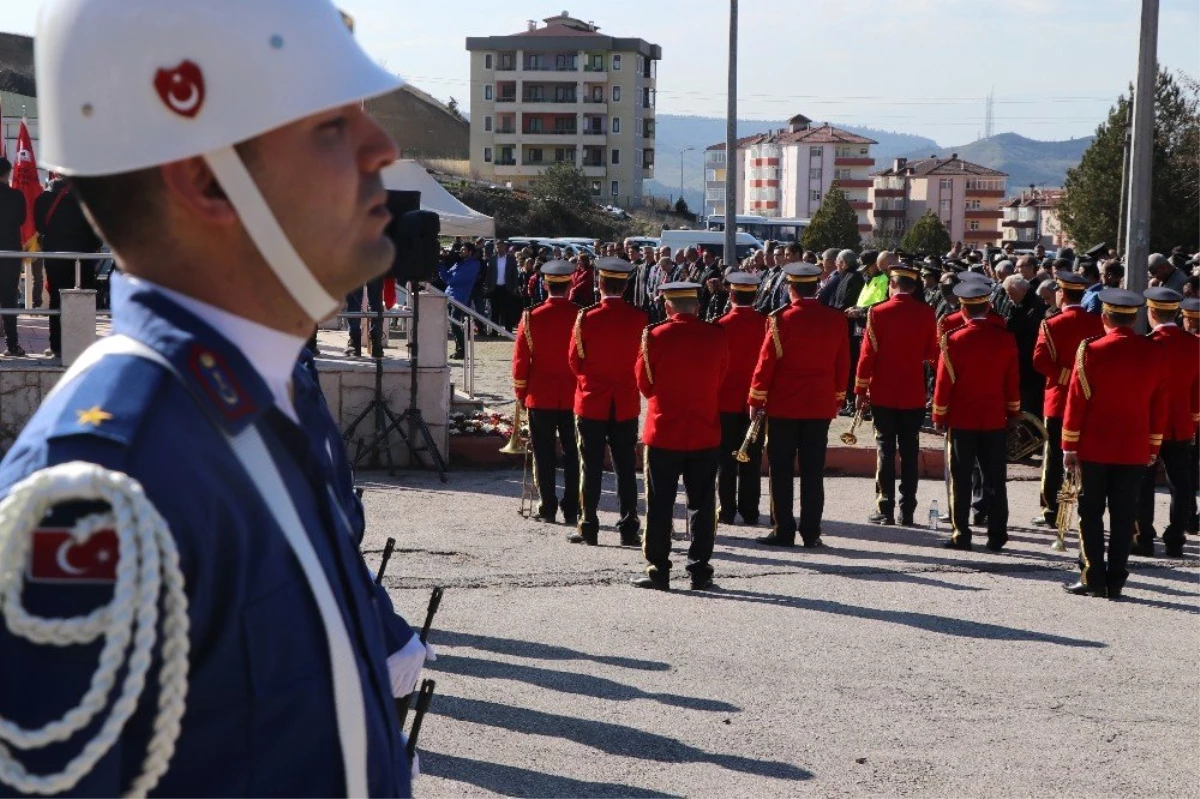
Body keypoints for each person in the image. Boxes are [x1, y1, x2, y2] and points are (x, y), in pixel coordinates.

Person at [0, 1, 428, 796]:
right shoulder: (109, 486)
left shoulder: (256, 408)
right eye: (331, 125)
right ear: (204, 178)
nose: (384, 147)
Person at [1062, 289, 1168, 599]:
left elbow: (1076, 401)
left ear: (1105, 317)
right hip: (1134, 448)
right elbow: (1159, 405)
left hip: (1094, 446)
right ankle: (1117, 579)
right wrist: (1153, 447)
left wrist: (1069, 445)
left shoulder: (1091, 349)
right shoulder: (1154, 351)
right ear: (1134, 318)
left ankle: (1092, 576)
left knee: (1090, 512)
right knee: (1124, 516)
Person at [633, 282, 728, 591]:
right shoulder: (716, 335)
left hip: (664, 431)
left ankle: (658, 569)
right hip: (704, 430)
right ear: (696, 307)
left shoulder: (655, 336)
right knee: (702, 503)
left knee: (660, 503)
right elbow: (721, 379)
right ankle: (700, 570)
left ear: (667, 307)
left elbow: (644, 384)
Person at [749, 264, 850, 548]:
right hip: (819, 404)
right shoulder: (835, 319)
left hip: (785, 405)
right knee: (813, 471)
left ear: (790, 288)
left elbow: (765, 364)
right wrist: (838, 398)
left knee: (781, 469)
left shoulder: (780, 319)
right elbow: (843, 365)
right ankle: (811, 532)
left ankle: (783, 529)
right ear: (816, 287)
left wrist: (756, 399)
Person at [932, 281, 1021, 551]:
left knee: (960, 477)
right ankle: (997, 534)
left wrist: (939, 414)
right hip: (994, 416)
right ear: (988, 306)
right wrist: (1014, 412)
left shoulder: (954, 339)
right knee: (995, 477)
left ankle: (961, 533)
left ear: (963, 309)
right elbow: (1012, 382)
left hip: (962, 417)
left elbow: (943, 382)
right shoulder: (1005, 337)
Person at [569, 258, 646, 546]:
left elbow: (575, 362)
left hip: (592, 400)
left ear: (600, 285)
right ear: (625, 287)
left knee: (590, 466)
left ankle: (588, 524)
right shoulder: (640, 318)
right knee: (626, 468)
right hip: (624, 401)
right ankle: (629, 526)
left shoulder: (586, 318)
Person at [855, 261, 938, 526]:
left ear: (892, 284)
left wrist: (859, 389)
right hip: (913, 392)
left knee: (885, 450)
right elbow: (930, 353)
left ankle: (885, 507)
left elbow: (867, 356)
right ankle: (908, 510)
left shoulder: (878, 312)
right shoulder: (927, 313)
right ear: (913, 287)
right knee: (910, 451)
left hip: (883, 392)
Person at [1030, 273, 1104, 529]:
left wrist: (1066, 377)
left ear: (1062, 294)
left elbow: (1040, 361)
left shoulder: (1051, 324)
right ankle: (1084, 505)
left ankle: (1052, 509)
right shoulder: (1097, 323)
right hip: (1091, 399)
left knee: (1053, 457)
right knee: (1087, 456)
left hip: (1059, 399)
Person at [1133, 288, 1200, 558]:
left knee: (1143, 482)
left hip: (1150, 425)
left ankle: (1144, 538)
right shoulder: (1194, 344)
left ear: (1151, 312)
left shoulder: (1149, 344)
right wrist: (1193, 422)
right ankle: (1175, 539)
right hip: (1181, 423)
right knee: (1181, 483)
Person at [512, 260, 580, 526]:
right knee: (574, 454)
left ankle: (548, 505)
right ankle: (572, 507)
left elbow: (520, 361)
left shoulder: (531, 316)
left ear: (544, 284)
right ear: (570, 285)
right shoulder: (580, 315)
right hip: (574, 395)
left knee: (543, 452)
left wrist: (521, 392)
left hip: (540, 394)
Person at [715, 272, 767, 526]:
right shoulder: (766, 324)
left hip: (725, 401)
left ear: (731, 295)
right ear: (755, 296)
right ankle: (750, 511)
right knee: (752, 458)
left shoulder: (719, 324)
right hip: (756, 402)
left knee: (726, 458)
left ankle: (726, 510)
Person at [34, 174, 104, 360]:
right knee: (84, 298)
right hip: (83, 257)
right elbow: (98, 230)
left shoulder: (43, 198)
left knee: (56, 299)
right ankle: (83, 345)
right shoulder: (87, 198)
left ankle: (56, 346)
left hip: (55, 256)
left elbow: (40, 226)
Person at [1002, 275, 1047, 416]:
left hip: (1029, 367)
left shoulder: (1036, 307)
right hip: (1019, 363)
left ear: (1022, 291)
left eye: (1011, 294)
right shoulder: (1018, 305)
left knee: (1029, 406)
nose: (1009, 299)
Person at [0, 156, 26, 355]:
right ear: (7, 173)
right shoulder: (16, 196)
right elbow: (22, 219)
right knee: (9, 299)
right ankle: (12, 345)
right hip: (10, 253)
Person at [440, 240, 481, 360]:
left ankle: (462, 350)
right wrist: (442, 264)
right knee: (454, 325)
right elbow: (446, 276)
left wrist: (444, 270)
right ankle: (459, 349)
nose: (461, 252)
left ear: (470, 252)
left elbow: (452, 280)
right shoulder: (460, 263)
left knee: (456, 324)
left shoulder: (473, 264)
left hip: (459, 297)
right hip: (449, 296)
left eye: (464, 250)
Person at [486, 240, 521, 332]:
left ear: (504, 247)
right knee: (495, 310)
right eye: (498, 247)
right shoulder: (493, 259)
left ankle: (508, 331)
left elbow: (515, 274)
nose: (499, 249)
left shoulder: (510, 258)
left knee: (507, 310)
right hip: (495, 288)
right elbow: (489, 274)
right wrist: (488, 286)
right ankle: (494, 331)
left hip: (507, 287)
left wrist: (515, 287)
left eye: (501, 246)